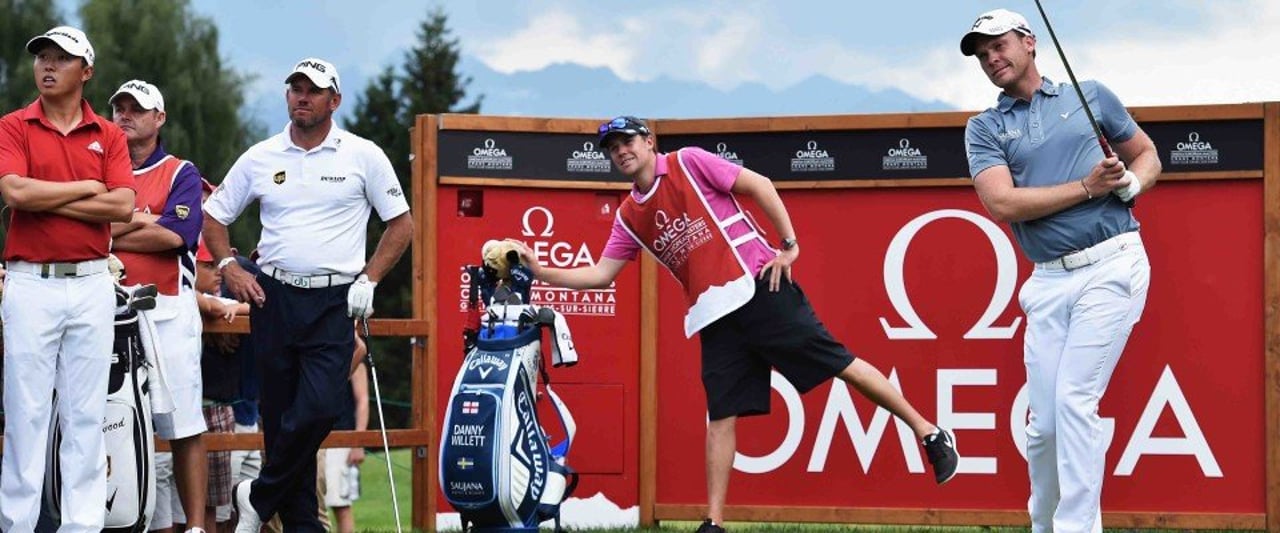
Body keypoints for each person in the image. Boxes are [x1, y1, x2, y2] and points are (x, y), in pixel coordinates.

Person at [508, 116, 960, 533]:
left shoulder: (688, 161)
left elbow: (759, 184)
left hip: (760, 287)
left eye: (628, 141)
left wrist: (788, 245)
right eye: (612, 147)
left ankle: (931, 433)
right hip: (714, 314)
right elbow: (601, 274)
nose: (621, 151)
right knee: (721, 416)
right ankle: (714, 523)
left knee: (840, 364)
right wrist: (541, 270)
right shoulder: (629, 214)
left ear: (649, 142)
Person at [959, 9, 1159, 533]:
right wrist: (1090, 187)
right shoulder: (985, 126)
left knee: (1074, 401)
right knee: (1044, 427)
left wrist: (1130, 186)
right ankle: (1045, 527)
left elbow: (1146, 154)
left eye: (998, 46)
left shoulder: (1090, 94)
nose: (991, 59)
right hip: (1047, 280)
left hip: (1113, 265)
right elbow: (1002, 203)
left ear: (1029, 42)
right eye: (982, 55)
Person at [202, 57, 413, 533]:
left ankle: (257, 495)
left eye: (313, 90)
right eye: (295, 88)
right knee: (280, 428)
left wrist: (370, 279)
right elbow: (214, 217)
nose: (302, 96)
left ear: (334, 100)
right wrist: (229, 266)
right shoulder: (261, 156)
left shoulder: (363, 155)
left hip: (334, 301)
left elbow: (402, 224)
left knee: (318, 408)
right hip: (273, 298)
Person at [0, 26, 136, 532]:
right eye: (42, 58)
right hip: (30, 283)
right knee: (26, 414)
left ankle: (81, 527)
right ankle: (18, 526)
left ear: (87, 71)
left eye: (62, 58)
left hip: (91, 285)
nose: (48, 66)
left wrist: (48, 192)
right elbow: (15, 193)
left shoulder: (110, 133)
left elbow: (122, 205)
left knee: (84, 416)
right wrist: (84, 186)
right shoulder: (13, 125)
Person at [106, 79, 211, 533]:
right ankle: (130, 520)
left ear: (159, 118)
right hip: (107, 309)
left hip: (168, 309)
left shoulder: (180, 172)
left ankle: (194, 526)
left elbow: (176, 236)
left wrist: (111, 226)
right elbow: (83, 229)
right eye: (119, 108)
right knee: (114, 416)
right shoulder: (100, 170)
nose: (125, 115)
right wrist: (143, 219)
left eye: (137, 109)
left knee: (183, 423)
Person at [325, 343, 368, 533]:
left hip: (341, 437)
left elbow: (363, 401)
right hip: (315, 435)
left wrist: (357, 442)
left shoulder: (355, 360)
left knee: (340, 503)